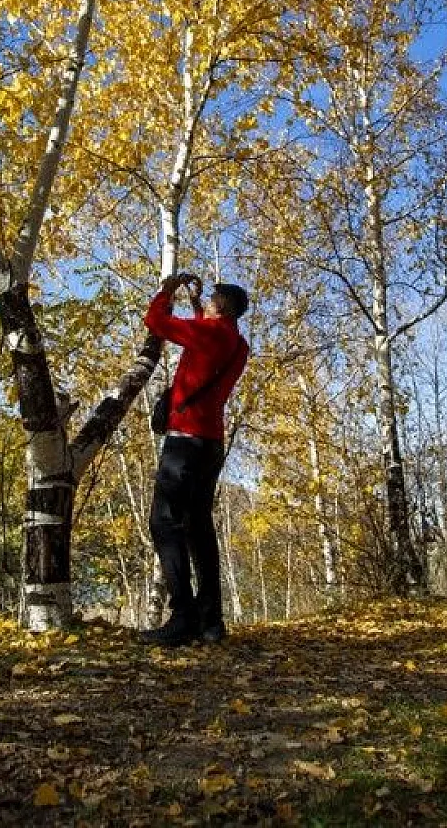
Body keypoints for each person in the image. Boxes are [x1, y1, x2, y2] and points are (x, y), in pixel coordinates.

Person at [140, 271, 250, 646]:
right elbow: (206, 345)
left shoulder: (209, 334)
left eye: (211, 300)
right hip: (211, 444)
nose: (205, 303)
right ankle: (211, 622)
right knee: (199, 528)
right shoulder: (237, 343)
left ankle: (182, 617)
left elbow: (156, 322)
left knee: (163, 522)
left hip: (185, 443)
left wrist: (168, 288)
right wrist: (195, 306)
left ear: (223, 308)